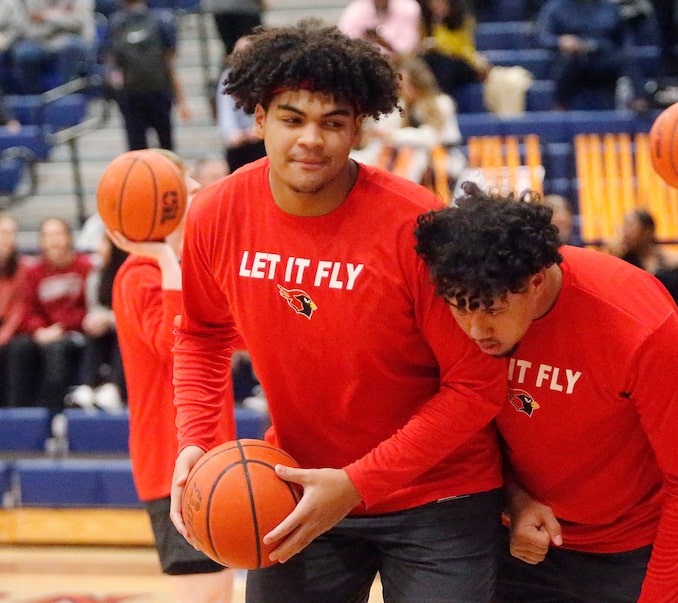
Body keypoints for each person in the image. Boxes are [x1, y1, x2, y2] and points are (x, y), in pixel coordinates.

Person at [169, 21, 507, 602]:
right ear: (259, 119)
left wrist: (357, 483)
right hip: (296, 487)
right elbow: (201, 333)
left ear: (358, 130)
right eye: (292, 118)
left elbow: (477, 385)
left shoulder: (416, 224)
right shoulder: (217, 213)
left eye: (332, 122)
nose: (311, 139)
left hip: (439, 495)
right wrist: (197, 442)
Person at [413, 183, 678, 602]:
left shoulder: (636, 324)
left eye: (492, 309)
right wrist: (514, 499)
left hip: (641, 550)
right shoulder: (459, 304)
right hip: (524, 545)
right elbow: (461, 430)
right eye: (461, 308)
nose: (474, 330)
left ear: (536, 281)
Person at [109, 148, 236, 603]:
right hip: (171, 462)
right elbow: (174, 346)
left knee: (218, 592)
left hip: (211, 454)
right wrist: (163, 259)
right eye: (187, 181)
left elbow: (237, 337)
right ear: (163, 197)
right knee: (201, 594)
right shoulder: (138, 276)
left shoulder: (192, 271)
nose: (201, 188)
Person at [6, 217, 92, 414]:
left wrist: (61, 327)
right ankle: (20, 416)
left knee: (57, 350)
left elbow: (89, 307)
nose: (53, 241)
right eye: (48, 236)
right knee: (20, 347)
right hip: (44, 333)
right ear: (41, 241)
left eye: (58, 235)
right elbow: (27, 309)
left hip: (74, 334)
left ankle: (56, 417)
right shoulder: (33, 272)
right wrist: (38, 330)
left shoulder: (84, 268)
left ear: (69, 238)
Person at [352, 54, 463, 187]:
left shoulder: (442, 103)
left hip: (441, 157)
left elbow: (431, 138)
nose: (402, 89)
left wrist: (392, 136)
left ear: (417, 82)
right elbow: (384, 130)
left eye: (405, 84)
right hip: (405, 156)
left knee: (415, 157)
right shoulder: (402, 105)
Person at [106, 0, 191, 151]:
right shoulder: (160, 20)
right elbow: (170, 62)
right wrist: (181, 100)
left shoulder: (116, 23)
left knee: (138, 150)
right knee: (166, 148)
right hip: (152, 93)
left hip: (136, 95)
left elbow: (112, 63)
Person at [65, 232, 128, 413]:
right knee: (94, 332)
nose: (98, 248)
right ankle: (87, 386)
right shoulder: (96, 275)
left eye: (103, 242)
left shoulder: (129, 274)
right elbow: (93, 307)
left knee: (121, 334)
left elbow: (134, 313)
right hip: (104, 331)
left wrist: (109, 319)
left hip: (127, 330)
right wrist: (93, 320)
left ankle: (114, 389)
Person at [606, 208, 678, 317]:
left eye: (630, 226)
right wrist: (614, 255)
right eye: (624, 227)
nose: (625, 233)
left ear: (647, 231)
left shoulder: (672, 264)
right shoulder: (623, 261)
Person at [535, 0, 625, 110]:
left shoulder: (610, 7)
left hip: (603, 58)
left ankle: (639, 101)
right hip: (572, 60)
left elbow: (622, 40)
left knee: (625, 57)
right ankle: (560, 106)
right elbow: (544, 38)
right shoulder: (555, 6)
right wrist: (561, 41)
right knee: (568, 60)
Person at [9, 0, 96, 94]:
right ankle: (35, 100)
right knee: (23, 52)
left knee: (71, 47)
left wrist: (44, 16)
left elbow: (78, 22)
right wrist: (63, 15)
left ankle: (62, 97)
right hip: (40, 39)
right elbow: (26, 27)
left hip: (73, 39)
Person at [418, 0, 489, 101]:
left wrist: (439, 45)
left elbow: (464, 49)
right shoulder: (427, 21)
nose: (436, 5)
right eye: (432, 2)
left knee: (445, 64)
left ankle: (441, 99)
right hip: (437, 62)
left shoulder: (463, 19)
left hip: (461, 61)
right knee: (428, 61)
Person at [215, 35, 265, 172]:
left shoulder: (266, 75)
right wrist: (233, 134)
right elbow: (225, 109)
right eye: (238, 53)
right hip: (239, 141)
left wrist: (254, 132)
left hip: (260, 137)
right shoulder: (228, 77)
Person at [0, 214, 31, 405]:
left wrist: (4, 335)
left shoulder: (24, 268)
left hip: (11, 330)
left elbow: (20, 308)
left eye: (12, 233)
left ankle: (13, 412)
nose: (8, 238)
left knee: (18, 349)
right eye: (4, 232)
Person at [337, 0, 422, 56]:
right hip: (364, 62)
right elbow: (344, 41)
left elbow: (407, 50)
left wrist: (385, 44)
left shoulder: (408, 8)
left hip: (399, 65)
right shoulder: (355, 10)